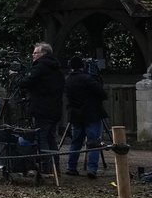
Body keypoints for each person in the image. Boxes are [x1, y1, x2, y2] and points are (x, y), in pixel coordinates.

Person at [19, 42, 64, 173]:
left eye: (35, 53)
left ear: (43, 54)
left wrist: (17, 77)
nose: (33, 55)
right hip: (55, 110)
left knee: (42, 138)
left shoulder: (41, 67)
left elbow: (26, 82)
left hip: (42, 109)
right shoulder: (56, 69)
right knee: (51, 139)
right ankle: (55, 167)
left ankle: (46, 168)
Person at [65, 56, 108, 178]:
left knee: (76, 142)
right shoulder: (88, 79)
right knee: (94, 143)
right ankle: (92, 168)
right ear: (82, 66)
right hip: (91, 114)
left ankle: (71, 166)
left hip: (76, 115)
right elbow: (102, 93)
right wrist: (96, 77)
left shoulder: (68, 80)